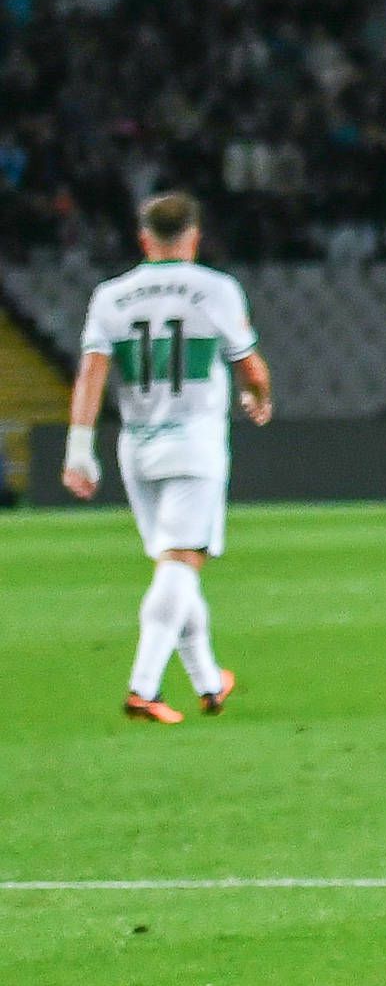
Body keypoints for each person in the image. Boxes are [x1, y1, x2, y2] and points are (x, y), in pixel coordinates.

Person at [66, 190, 268, 721]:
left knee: (174, 564)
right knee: (182, 562)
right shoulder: (217, 289)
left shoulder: (112, 295)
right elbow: (250, 367)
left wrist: (79, 448)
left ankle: (208, 682)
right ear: (194, 237)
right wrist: (259, 398)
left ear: (144, 239)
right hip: (195, 443)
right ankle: (144, 687)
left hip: (138, 445)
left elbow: (91, 373)